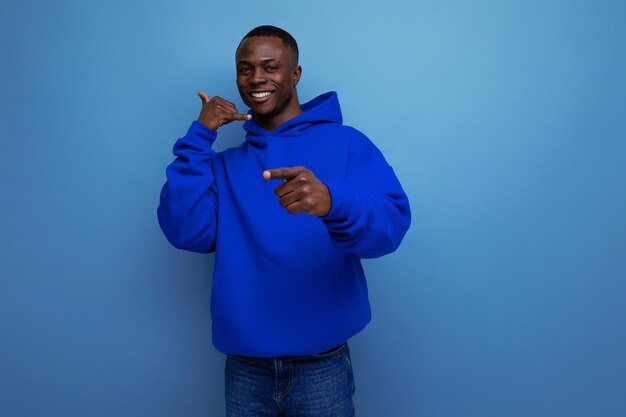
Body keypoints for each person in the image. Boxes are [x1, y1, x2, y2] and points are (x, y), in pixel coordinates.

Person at [158, 25, 411, 417]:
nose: (256, 78)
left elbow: (390, 228)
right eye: (245, 69)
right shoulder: (225, 166)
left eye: (270, 67)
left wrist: (333, 202)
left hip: (321, 365)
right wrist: (199, 136)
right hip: (244, 367)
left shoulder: (347, 144)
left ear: (295, 74)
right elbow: (185, 231)